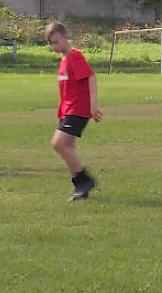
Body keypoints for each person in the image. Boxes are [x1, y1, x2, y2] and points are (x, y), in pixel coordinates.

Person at [45, 21, 102, 201]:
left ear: (65, 37)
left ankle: (85, 179)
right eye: (51, 43)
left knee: (58, 144)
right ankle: (80, 189)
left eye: (56, 42)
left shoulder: (75, 56)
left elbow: (91, 77)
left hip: (78, 109)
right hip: (67, 110)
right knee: (68, 147)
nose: (54, 46)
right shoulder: (64, 60)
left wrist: (93, 105)